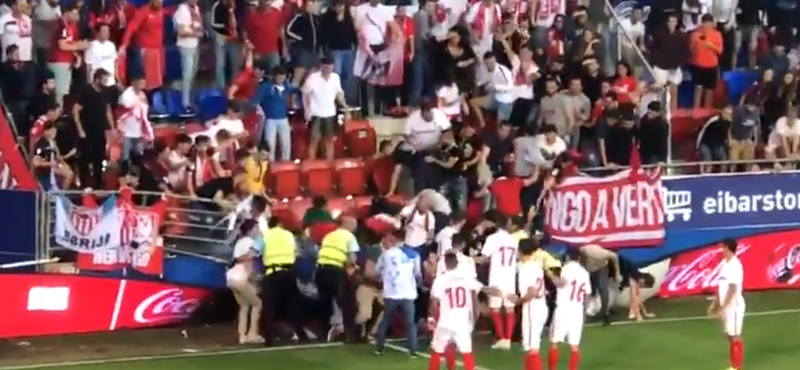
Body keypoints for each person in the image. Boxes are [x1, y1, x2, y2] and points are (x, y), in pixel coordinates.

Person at [426, 253, 499, 370]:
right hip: (462, 323)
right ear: (457, 263)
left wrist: (431, 318)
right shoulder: (466, 278)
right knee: (467, 353)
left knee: (437, 351)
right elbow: (485, 289)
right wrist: (499, 292)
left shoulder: (440, 280)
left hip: (446, 322)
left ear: (445, 264)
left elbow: (433, 302)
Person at [373, 228, 421, 357]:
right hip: (408, 293)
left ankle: (379, 349)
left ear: (394, 238)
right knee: (410, 323)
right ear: (405, 239)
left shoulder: (386, 254)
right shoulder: (414, 254)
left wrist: (382, 278)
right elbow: (418, 274)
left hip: (391, 293)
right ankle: (413, 351)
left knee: (386, 320)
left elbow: (376, 271)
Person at [474, 212, 517, 350]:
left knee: (495, 308)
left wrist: (468, 259)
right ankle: (508, 339)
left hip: (496, 277)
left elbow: (484, 259)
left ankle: (501, 337)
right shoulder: (513, 239)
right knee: (510, 308)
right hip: (510, 276)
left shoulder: (492, 239)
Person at [261, 215, 305, 345]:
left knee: (269, 306)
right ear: (280, 223)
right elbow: (296, 252)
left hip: (271, 273)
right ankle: (300, 334)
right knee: (294, 304)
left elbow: (257, 250)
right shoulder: (288, 235)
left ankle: (269, 338)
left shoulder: (264, 235)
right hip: (288, 272)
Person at [316, 215, 360, 342]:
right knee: (347, 302)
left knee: (325, 303)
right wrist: (353, 270)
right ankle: (349, 334)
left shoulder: (329, 236)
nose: (355, 227)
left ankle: (324, 333)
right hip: (336, 271)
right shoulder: (349, 237)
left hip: (321, 270)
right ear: (347, 224)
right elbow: (352, 258)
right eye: (354, 224)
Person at [548, 247, 591, 370]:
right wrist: (584, 310)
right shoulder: (584, 272)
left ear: (568, 256)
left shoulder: (566, 269)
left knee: (555, 342)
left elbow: (561, 283)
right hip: (577, 310)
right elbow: (587, 294)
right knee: (574, 345)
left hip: (563, 309)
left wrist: (551, 276)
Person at [707, 238, 745, 370]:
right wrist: (715, 303)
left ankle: (737, 367)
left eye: (722, 247)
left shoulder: (735, 265)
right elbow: (722, 286)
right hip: (726, 305)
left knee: (735, 336)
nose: (720, 249)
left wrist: (723, 308)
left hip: (734, 306)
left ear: (727, 247)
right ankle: (733, 365)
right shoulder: (724, 264)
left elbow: (732, 288)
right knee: (730, 335)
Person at [73, 69, 114, 189]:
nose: (106, 83)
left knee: (99, 156)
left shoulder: (105, 92)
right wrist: (80, 129)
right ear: (97, 79)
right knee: (86, 157)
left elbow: (107, 110)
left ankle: (98, 181)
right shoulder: (86, 91)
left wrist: (112, 127)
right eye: (104, 80)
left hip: (100, 130)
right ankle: (83, 183)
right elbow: (75, 110)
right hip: (87, 130)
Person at [511, 238, 548, 370]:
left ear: (521, 251)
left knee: (532, 347)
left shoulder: (525, 269)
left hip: (532, 308)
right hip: (541, 306)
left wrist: (518, 301)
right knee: (532, 345)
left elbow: (531, 292)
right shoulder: (536, 265)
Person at [302, 56, 349, 160]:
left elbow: (339, 94)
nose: (327, 69)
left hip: (330, 114)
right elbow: (305, 94)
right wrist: (306, 110)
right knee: (314, 141)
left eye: (329, 67)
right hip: (316, 114)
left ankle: (329, 165)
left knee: (329, 141)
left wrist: (345, 108)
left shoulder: (335, 78)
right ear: (321, 66)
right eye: (325, 67)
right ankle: (311, 165)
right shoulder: (313, 78)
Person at [227, 219, 265, 344]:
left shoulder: (240, 242)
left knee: (244, 306)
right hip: (240, 278)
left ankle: (242, 336)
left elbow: (237, 258)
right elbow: (249, 264)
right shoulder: (252, 243)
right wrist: (254, 280)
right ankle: (252, 334)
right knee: (257, 304)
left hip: (230, 278)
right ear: (252, 230)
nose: (259, 231)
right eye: (257, 229)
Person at [252, 66, 295, 161]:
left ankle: (286, 163)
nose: (281, 80)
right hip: (270, 119)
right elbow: (255, 101)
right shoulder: (266, 87)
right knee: (270, 144)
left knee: (286, 143)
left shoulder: (286, 86)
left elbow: (295, 90)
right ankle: (270, 164)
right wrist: (260, 112)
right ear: (274, 76)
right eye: (279, 78)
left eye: (283, 78)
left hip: (283, 118)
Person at [173, 0, 204, 109]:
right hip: (185, 46)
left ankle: (185, 93)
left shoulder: (196, 8)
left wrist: (196, 31)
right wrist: (196, 33)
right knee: (187, 75)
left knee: (193, 73)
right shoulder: (182, 10)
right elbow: (181, 32)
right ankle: (185, 103)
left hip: (195, 45)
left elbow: (199, 26)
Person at [689, 14, 723, 109]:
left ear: (712, 24)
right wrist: (695, 45)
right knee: (698, 88)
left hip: (711, 66)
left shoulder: (717, 34)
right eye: (705, 23)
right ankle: (696, 110)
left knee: (709, 90)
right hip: (698, 65)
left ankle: (707, 111)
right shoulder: (695, 34)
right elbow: (692, 51)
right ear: (702, 23)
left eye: (709, 23)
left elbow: (720, 50)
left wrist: (710, 46)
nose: (707, 25)